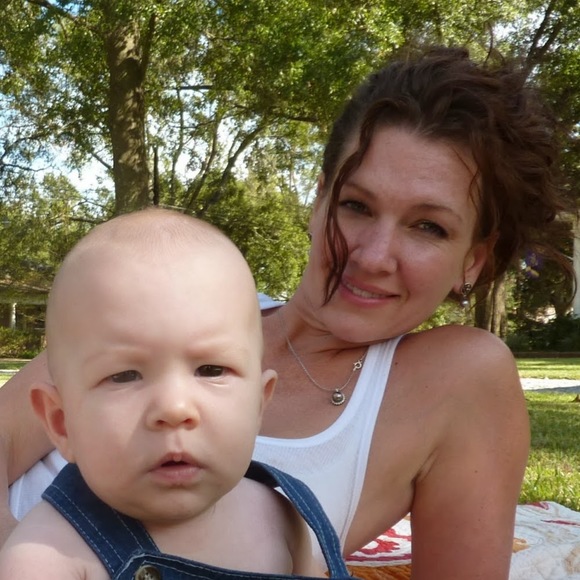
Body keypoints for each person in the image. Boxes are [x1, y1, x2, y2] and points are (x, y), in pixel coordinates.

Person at [0, 46, 575, 579]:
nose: (373, 256)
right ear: (319, 199)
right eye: (356, 205)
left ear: (473, 259)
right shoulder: (184, 303)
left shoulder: (458, 378)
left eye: (428, 226)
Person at [0, 209, 350, 579]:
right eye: (125, 375)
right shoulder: (45, 560)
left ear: (259, 404)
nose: (174, 407)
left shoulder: (283, 517)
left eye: (211, 370)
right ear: (62, 423)